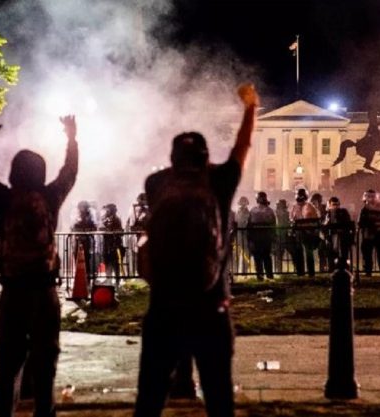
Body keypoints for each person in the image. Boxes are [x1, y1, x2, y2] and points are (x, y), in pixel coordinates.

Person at [133, 83, 258, 417]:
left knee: (149, 399)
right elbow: (242, 147)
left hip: (163, 306)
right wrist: (250, 107)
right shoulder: (220, 181)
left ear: (173, 160)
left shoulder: (155, 184)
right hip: (210, 305)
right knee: (219, 399)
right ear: (206, 159)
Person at [0, 113, 78, 417]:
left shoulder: (3, 199)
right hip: (44, 293)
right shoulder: (50, 196)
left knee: (7, 368)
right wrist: (71, 139)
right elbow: (70, 171)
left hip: (13, 293)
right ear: (41, 173)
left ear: (14, 173)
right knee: (45, 367)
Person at [357, 189, 380, 277]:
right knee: (367, 254)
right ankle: (368, 271)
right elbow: (360, 222)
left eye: (372, 197)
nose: (370, 199)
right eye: (368, 197)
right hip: (368, 235)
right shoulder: (364, 209)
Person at [290, 188, 321, 277]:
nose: (299, 197)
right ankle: (300, 272)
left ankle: (311, 273)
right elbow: (292, 219)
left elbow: (315, 220)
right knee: (299, 253)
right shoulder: (294, 207)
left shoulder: (310, 207)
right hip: (298, 233)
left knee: (309, 253)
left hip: (308, 233)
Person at [247, 191, 276, 280]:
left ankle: (262, 276)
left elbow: (249, 225)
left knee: (261, 257)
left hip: (261, 237)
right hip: (262, 237)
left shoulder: (254, 210)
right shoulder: (268, 210)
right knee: (263, 257)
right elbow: (273, 225)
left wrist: (250, 238)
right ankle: (266, 275)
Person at [322, 196, 355, 270]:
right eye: (333, 204)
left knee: (343, 253)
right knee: (331, 253)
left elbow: (348, 223)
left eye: (337, 204)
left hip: (342, 236)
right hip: (331, 236)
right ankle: (332, 268)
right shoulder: (327, 213)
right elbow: (324, 226)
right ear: (329, 205)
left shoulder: (343, 212)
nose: (336, 206)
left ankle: (343, 268)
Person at [72, 201, 97, 281]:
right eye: (81, 207)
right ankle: (79, 278)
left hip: (86, 241)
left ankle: (87, 278)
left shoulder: (90, 217)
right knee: (77, 258)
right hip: (78, 241)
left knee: (86, 259)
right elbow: (72, 227)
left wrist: (88, 231)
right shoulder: (76, 216)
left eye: (84, 207)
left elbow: (94, 227)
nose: (82, 209)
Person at [100, 203, 125, 286]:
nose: (107, 211)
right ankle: (109, 280)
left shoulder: (117, 219)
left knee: (115, 263)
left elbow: (120, 231)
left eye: (109, 209)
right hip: (107, 244)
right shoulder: (104, 218)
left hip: (115, 244)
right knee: (107, 262)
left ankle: (117, 281)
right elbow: (100, 227)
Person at [310, 193, 329, 271]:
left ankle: (324, 267)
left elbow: (325, 218)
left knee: (323, 251)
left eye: (314, 202)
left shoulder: (324, 209)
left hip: (324, 232)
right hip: (317, 232)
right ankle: (322, 268)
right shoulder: (313, 209)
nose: (313, 204)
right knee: (321, 251)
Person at [274, 199, 292, 272]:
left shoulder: (283, 213)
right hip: (280, 234)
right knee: (279, 253)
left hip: (283, 234)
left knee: (279, 253)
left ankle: (279, 270)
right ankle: (279, 270)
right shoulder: (280, 213)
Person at [235, 196, 251, 274]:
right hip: (238, 234)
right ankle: (236, 271)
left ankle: (245, 272)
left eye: (244, 202)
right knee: (236, 254)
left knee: (246, 254)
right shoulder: (238, 211)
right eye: (242, 202)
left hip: (245, 234)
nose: (243, 204)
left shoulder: (248, 212)